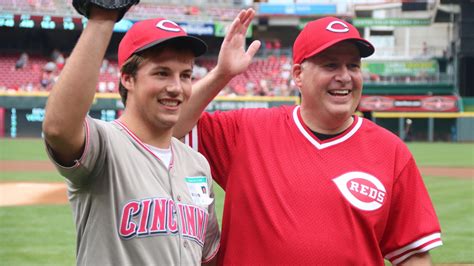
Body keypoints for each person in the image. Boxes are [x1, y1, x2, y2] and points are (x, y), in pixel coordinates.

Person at [175, 16, 442, 265]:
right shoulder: (245, 130)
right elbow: (171, 125)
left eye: (353, 66)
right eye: (331, 65)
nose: (345, 76)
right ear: (298, 74)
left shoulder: (390, 151)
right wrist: (222, 73)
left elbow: (413, 254)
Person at [42, 5, 224, 265]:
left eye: (185, 75)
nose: (176, 87)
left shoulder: (197, 164)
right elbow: (58, 129)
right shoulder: (105, 147)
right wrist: (102, 20)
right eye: (161, 73)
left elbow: (208, 256)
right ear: (127, 78)